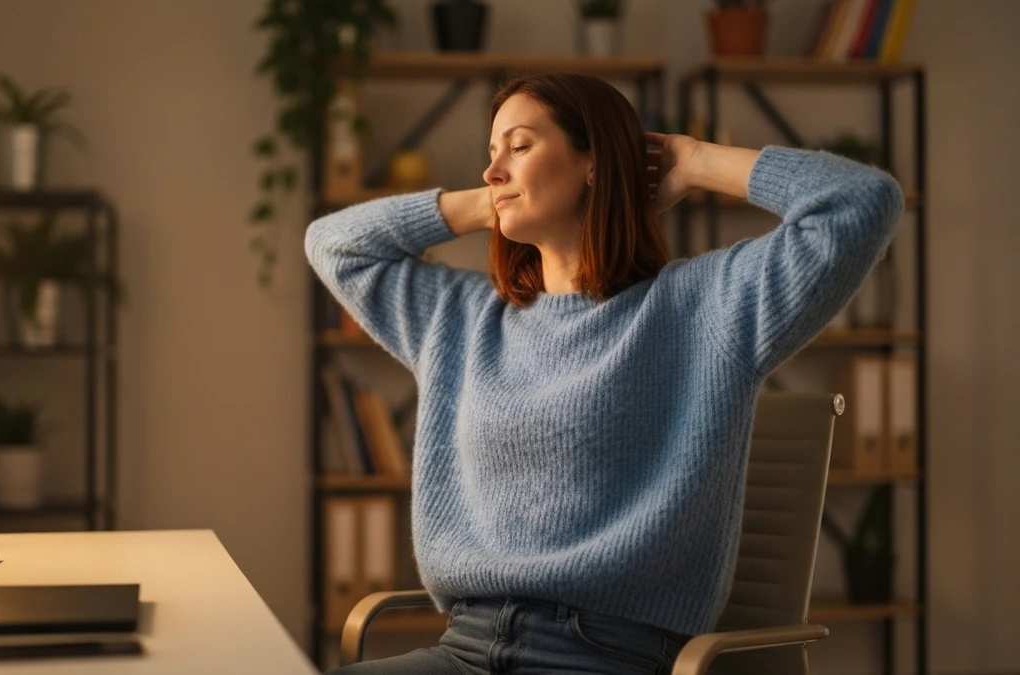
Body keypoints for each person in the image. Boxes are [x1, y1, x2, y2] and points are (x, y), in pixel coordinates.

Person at [307, 73, 903, 675]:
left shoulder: (705, 308)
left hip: (600, 656)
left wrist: (692, 160)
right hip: (464, 648)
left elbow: (860, 202)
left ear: (593, 164)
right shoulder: (460, 319)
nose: (492, 170)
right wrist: (484, 202)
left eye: (519, 146)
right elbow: (333, 246)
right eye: (490, 154)